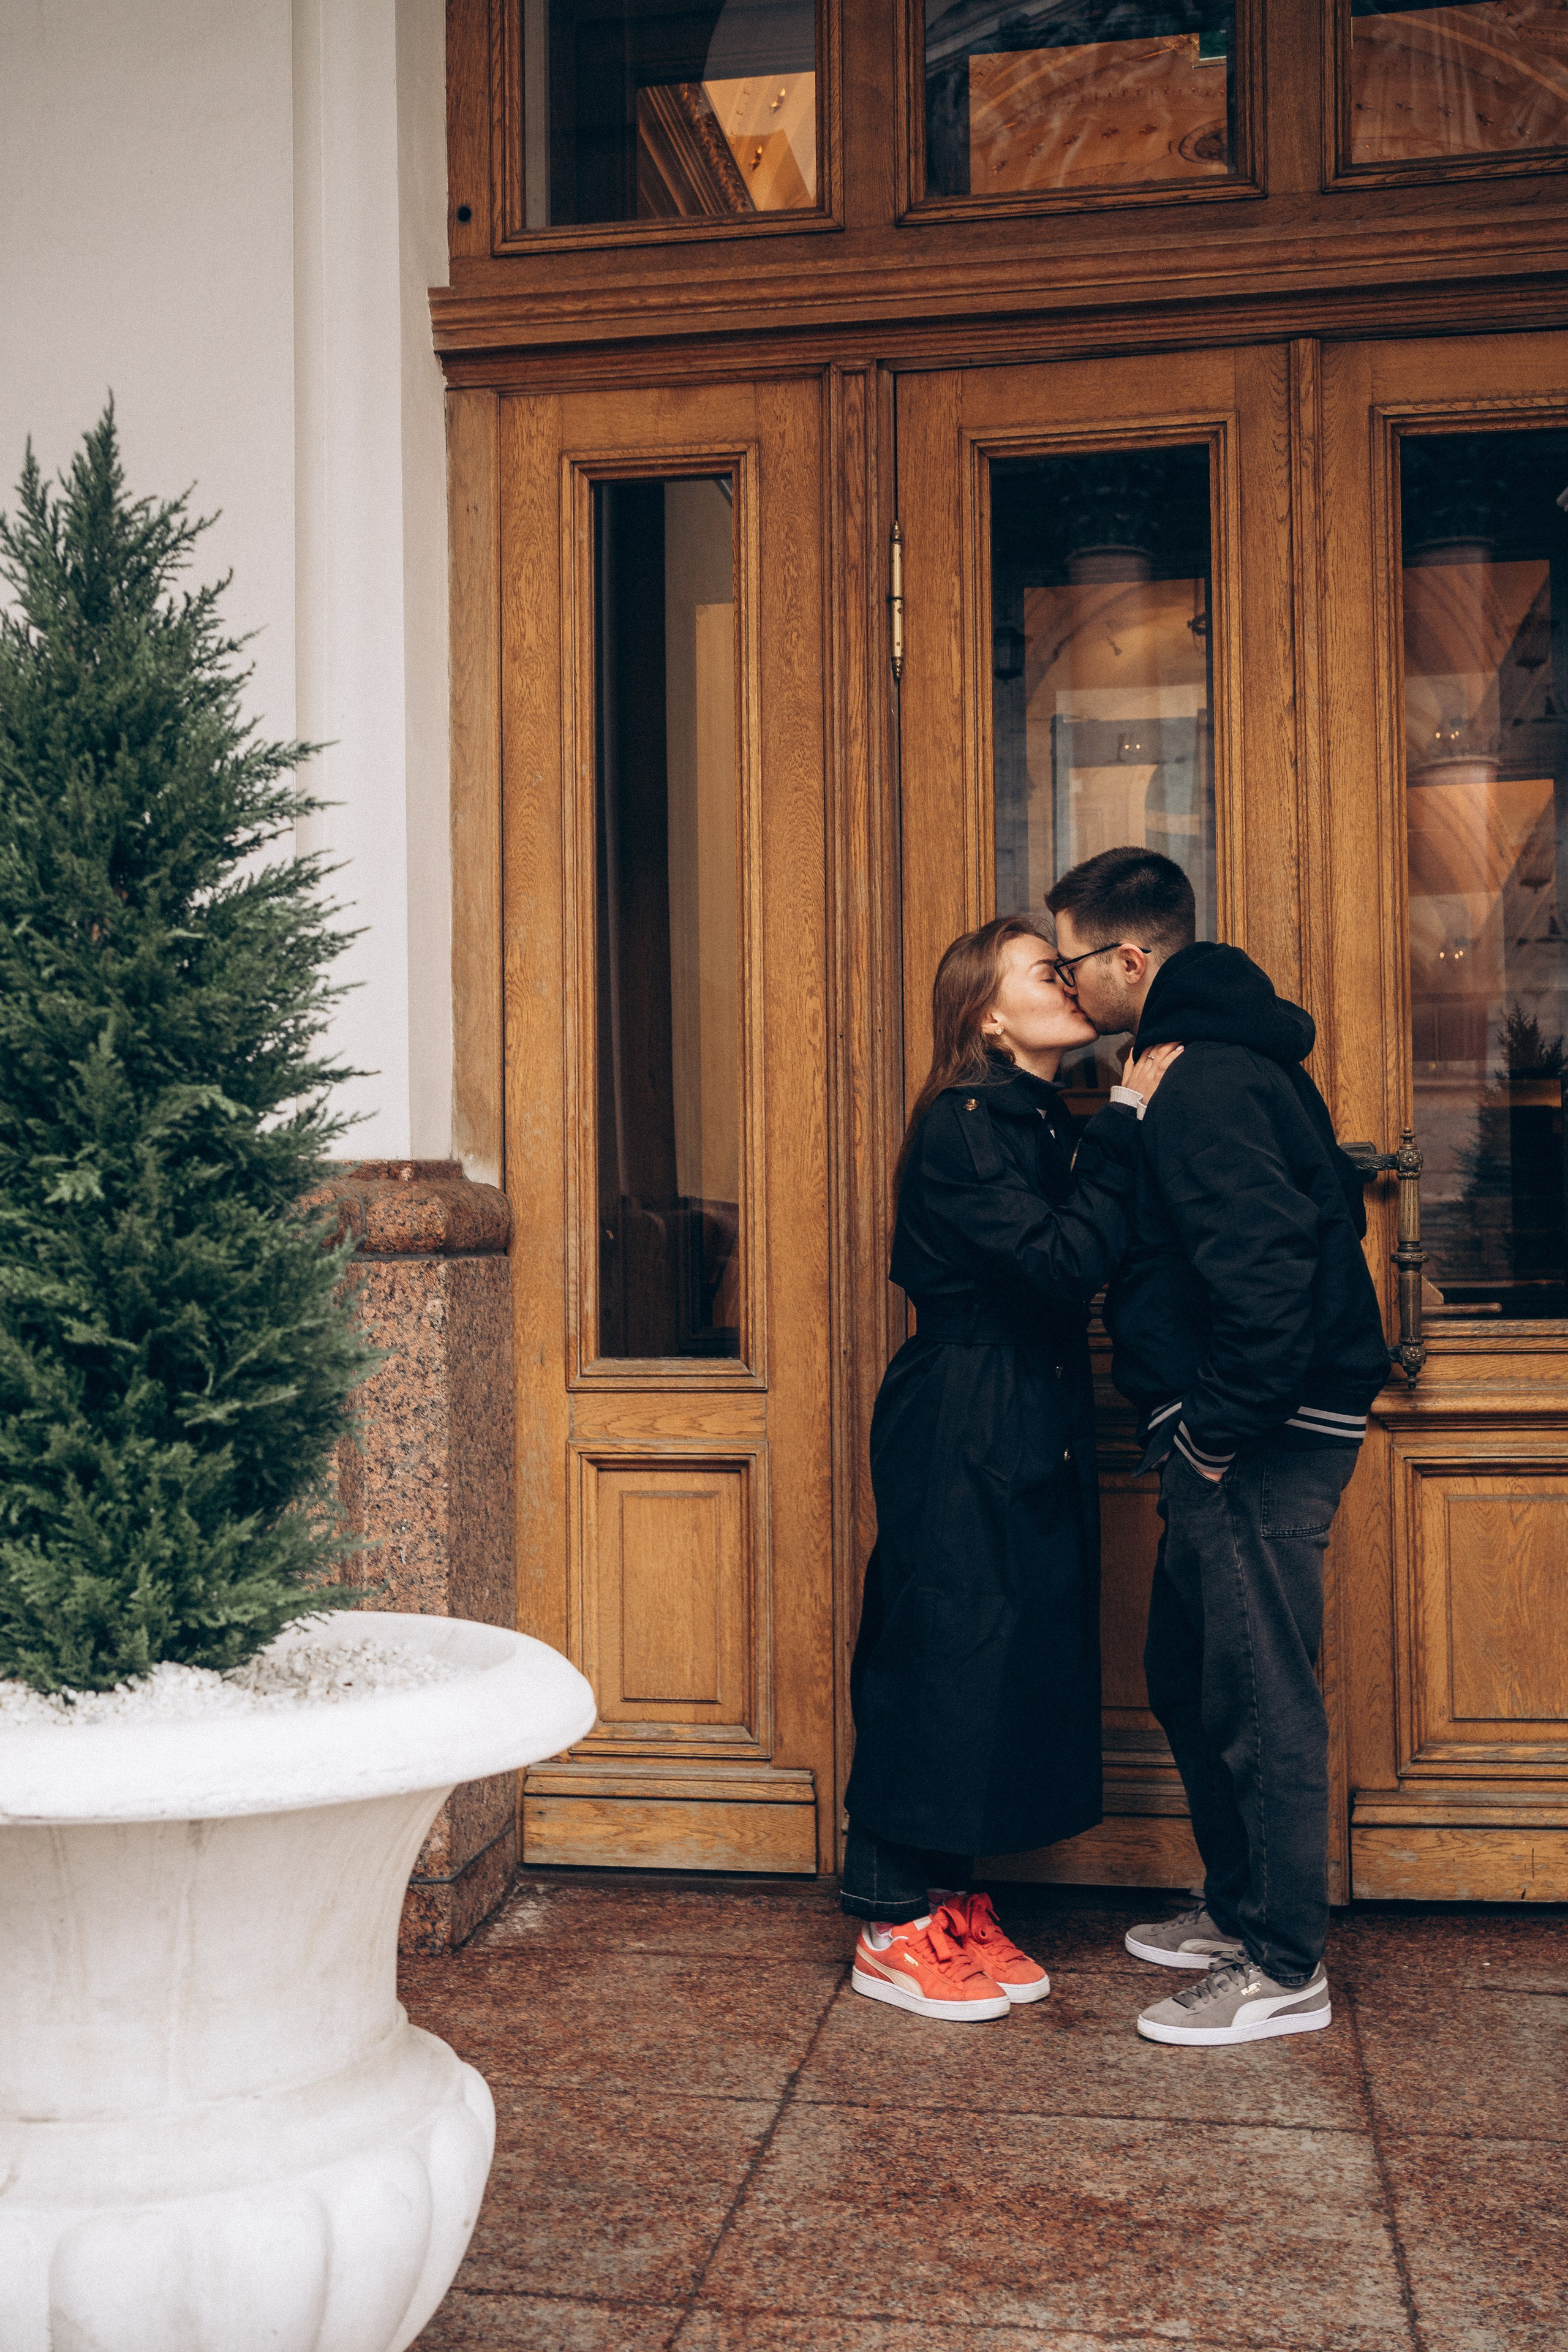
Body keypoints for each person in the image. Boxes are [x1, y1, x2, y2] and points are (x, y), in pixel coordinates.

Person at [1045, 846, 1392, 2049]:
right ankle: (1241, 1910)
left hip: (1258, 1433)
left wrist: (1212, 1435)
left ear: (1128, 957)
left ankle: (1281, 1962)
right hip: (1236, 1424)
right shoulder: (1192, 1070)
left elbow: (1267, 1270)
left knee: (1254, 1692)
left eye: (1073, 960)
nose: (1067, 984)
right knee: (1191, 1677)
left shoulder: (1208, 1080)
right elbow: (1306, 1216)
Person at [844, 916, 1182, 2024]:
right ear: (989, 1015)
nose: (1070, 984)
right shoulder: (963, 1120)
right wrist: (1130, 1119)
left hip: (1024, 1407)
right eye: (1045, 972)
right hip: (964, 1409)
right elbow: (1060, 1262)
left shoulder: (1034, 1112)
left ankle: (952, 1896)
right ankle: (890, 1922)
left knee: (1001, 1650)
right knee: (944, 1640)